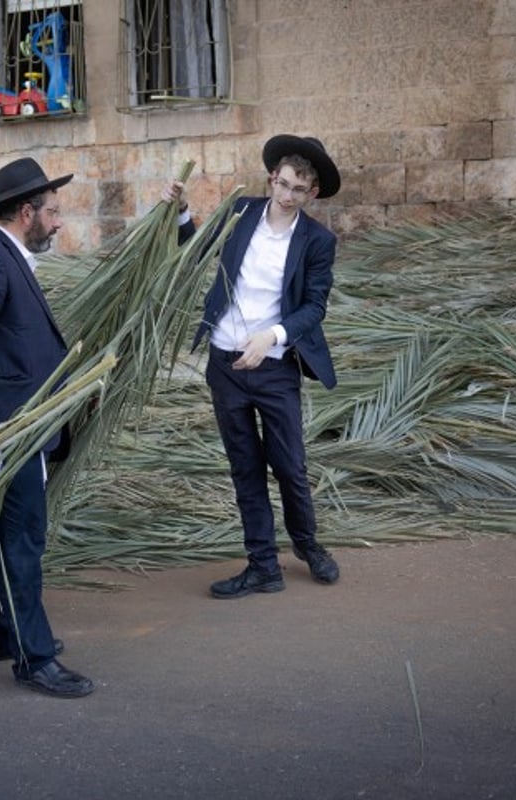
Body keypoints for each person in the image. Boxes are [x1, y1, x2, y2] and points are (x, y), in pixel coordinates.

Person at [165, 135, 342, 598]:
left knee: (289, 466)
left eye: (297, 190)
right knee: (245, 468)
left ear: (312, 194)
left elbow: (314, 307)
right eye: (281, 184)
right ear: (271, 178)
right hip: (224, 364)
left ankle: (307, 544)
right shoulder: (240, 213)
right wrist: (181, 212)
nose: (285, 196)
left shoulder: (318, 241)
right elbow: (198, 251)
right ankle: (263, 565)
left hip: (275, 367)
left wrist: (273, 336)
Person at [0, 157, 94, 698]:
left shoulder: (11, 258)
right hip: (6, 429)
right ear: (27, 211)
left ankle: (0, 634)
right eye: (53, 213)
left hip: (16, 423)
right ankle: (35, 659)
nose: (59, 223)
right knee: (22, 541)